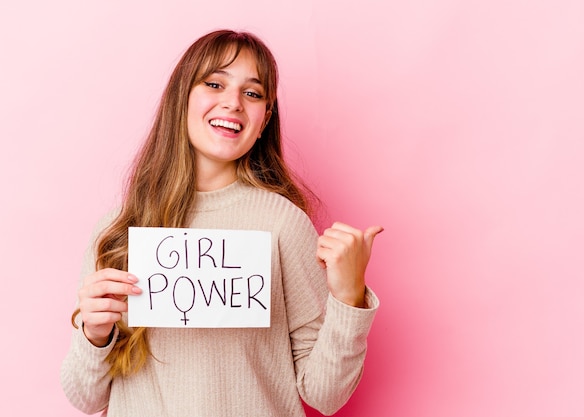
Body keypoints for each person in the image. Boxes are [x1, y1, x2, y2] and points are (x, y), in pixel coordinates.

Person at [61, 29, 382, 417]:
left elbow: (325, 395)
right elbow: (86, 398)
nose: (233, 103)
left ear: (264, 121)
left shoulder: (281, 224)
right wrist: (95, 335)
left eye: (252, 93)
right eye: (214, 83)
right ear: (181, 99)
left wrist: (349, 298)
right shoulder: (120, 230)